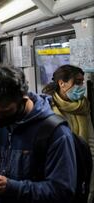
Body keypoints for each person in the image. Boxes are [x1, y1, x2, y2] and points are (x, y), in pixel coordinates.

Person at [0, 65, 76, 202]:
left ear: (24, 100)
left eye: (5, 112)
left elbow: (62, 190)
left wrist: (12, 188)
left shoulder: (55, 133)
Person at [42, 64, 94, 202]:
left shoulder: (83, 106)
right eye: (77, 82)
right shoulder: (47, 108)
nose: (81, 86)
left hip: (82, 165)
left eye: (82, 82)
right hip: (58, 168)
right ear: (62, 83)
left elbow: (91, 142)